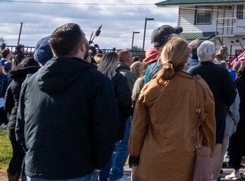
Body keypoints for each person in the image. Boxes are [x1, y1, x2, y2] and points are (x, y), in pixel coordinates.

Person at [15, 23, 118, 181]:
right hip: (77, 169)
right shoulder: (97, 81)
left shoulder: (31, 81)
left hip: (40, 166)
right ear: (83, 48)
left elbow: (21, 126)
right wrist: (98, 164)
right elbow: (105, 128)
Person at [129, 36, 215, 181]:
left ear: (162, 57)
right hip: (186, 161)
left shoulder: (150, 88)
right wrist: (208, 152)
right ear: (187, 59)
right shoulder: (199, 87)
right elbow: (209, 127)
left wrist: (134, 158)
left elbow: (138, 127)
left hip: (152, 162)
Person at [190, 41, 237, 180]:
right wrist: (224, 105)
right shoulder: (222, 72)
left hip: (196, 114)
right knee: (216, 146)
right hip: (217, 113)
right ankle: (213, 176)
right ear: (212, 55)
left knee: (197, 146)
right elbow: (231, 94)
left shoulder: (191, 72)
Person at [97, 52, 134, 181]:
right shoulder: (119, 79)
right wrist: (128, 114)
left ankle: (99, 175)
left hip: (97, 118)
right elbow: (124, 101)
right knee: (116, 148)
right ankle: (109, 176)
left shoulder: (95, 77)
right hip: (115, 119)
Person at [5, 57, 40, 181]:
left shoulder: (13, 83)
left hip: (13, 122)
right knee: (30, 155)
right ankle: (26, 177)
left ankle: (12, 177)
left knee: (17, 154)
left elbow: (7, 105)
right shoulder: (35, 81)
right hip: (29, 121)